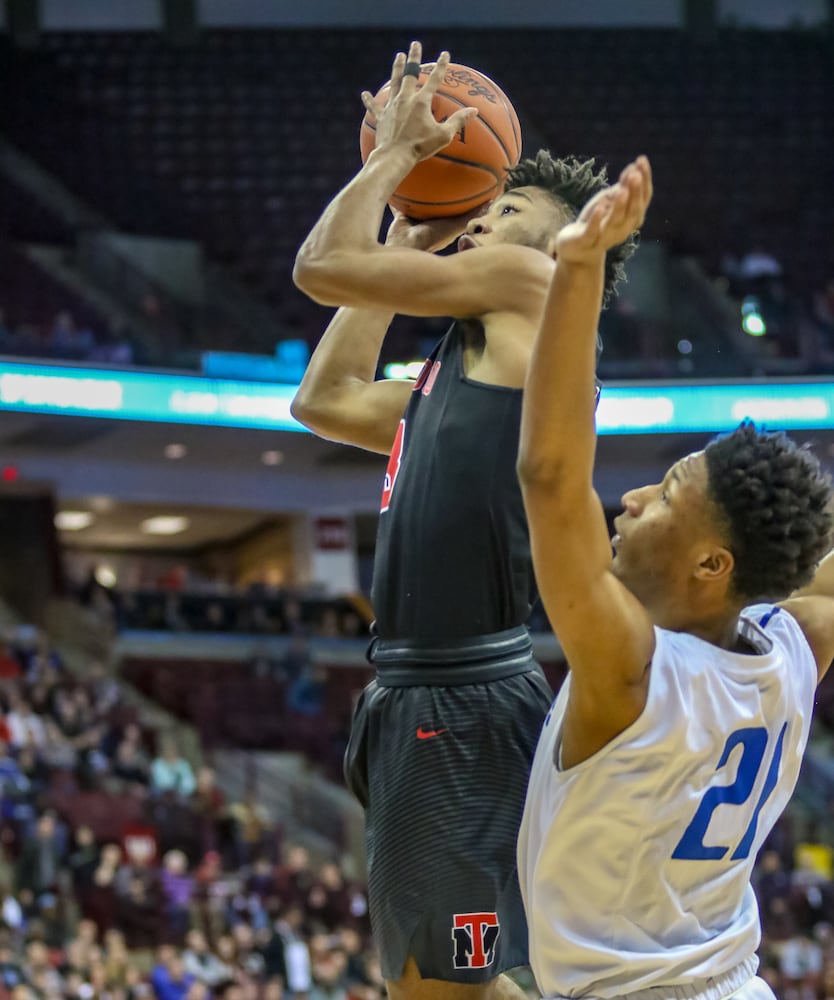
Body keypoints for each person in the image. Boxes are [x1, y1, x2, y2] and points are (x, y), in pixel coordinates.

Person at [292, 41, 637, 1000]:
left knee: (442, 988)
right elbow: (322, 401)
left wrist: (391, 159)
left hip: (459, 696)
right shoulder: (464, 360)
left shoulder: (539, 292)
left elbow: (321, 265)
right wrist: (403, 247)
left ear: (565, 251)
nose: (484, 217)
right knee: (475, 979)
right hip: (425, 695)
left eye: (510, 210)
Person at [515, 155, 834, 1000]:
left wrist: (579, 267)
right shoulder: (791, 651)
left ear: (711, 565)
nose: (632, 496)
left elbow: (550, 478)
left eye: (665, 495)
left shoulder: (630, 670)